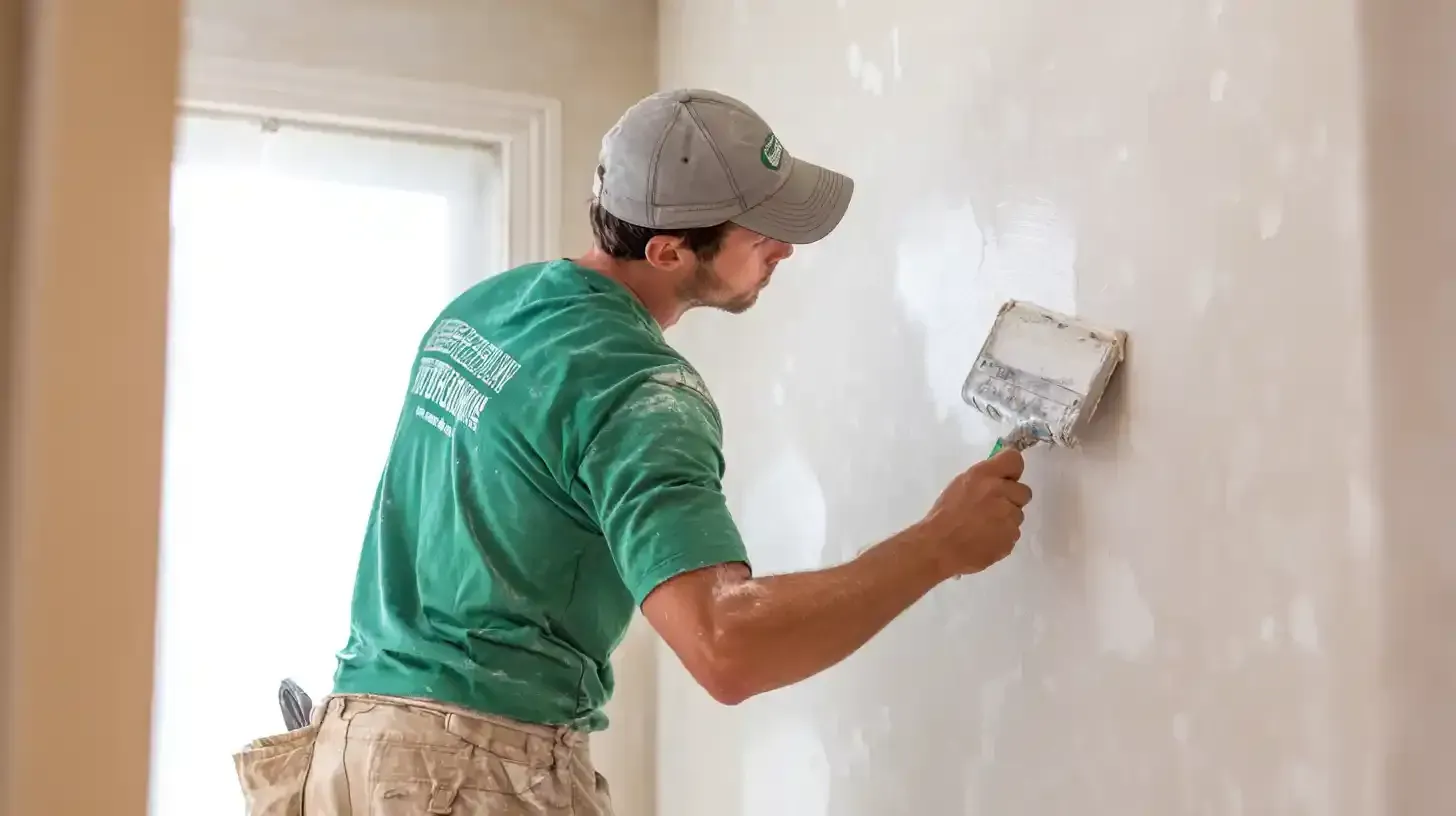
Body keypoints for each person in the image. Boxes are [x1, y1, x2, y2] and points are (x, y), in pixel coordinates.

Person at [233, 88, 1032, 816]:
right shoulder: (643, 393)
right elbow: (728, 647)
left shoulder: (485, 312)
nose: (784, 247)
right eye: (762, 230)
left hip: (355, 749)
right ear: (668, 253)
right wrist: (940, 546)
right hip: (468, 778)